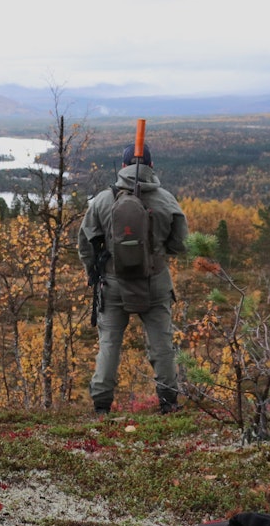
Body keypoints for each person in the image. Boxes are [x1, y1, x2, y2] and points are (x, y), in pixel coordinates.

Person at [78, 143, 189, 415]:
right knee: (162, 344)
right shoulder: (167, 200)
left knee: (109, 344)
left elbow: (85, 243)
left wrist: (94, 272)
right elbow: (179, 245)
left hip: (113, 284)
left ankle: (101, 405)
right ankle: (168, 401)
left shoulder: (102, 200)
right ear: (151, 166)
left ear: (123, 166)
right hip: (155, 283)